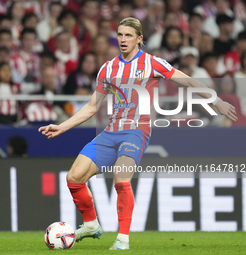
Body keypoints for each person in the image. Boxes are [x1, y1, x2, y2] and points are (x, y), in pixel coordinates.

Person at [38, 17, 237, 250]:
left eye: (128, 35)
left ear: (139, 39)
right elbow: (92, 106)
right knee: (74, 178)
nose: (123, 39)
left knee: (121, 180)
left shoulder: (153, 63)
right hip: (110, 132)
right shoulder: (108, 68)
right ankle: (91, 225)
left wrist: (217, 100)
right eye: (120, 35)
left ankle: (123, 239)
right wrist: (62, 126)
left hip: (136, 131)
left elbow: (188, 81)